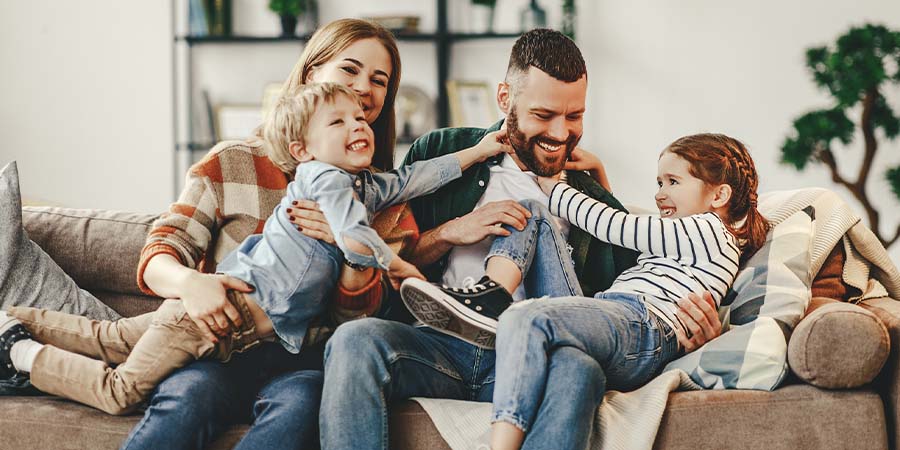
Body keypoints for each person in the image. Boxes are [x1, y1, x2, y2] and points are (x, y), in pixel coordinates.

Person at [319, 29, 726, 449]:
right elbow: (390, 264)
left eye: (574, 116)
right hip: (439, 345)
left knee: (580, 368)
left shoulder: (590, 198)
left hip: (533, 357)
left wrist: (689, 333)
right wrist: (449, 233)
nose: (561, 133)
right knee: (354, 341)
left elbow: (625, 305)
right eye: (544, 114)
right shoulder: (443, 150)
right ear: (504, 98)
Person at [0, 82, 509, 416]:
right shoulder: (323, 178)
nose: (359, 126)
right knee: (120, 393)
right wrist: (403, 270)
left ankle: (9, 318)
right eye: (339, 122)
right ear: (302, 151)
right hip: (212, 316)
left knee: (107, 336)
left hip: (228, 331)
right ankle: (22, 354)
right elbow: (354, 236)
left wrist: (480, 151)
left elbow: (415, 177)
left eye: (361, 118)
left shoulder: (362, 186)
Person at [128, 19, 411, 450]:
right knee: (187, 398)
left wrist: (348, 244)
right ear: (312, 73)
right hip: (216, 351)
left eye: (379, 80)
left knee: (299, 408)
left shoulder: (381, 198)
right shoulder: (232, 161)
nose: (363, 88)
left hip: (303, 363)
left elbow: (359, 329)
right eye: (349, 70)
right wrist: (191, 283)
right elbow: (162, 251)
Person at [485, 133, 768, 449]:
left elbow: (614, 226)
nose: (660, 194)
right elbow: (627, 236)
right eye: (659, 183)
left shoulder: (709, 229)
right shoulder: (688, 239)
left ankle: (486, 312)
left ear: (719, 195)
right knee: (573, 368)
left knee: (527, 318)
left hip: (643, 323)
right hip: (621, 322)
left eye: (673, 182)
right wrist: (599, 174)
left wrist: (550, 183)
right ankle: (488, 295)